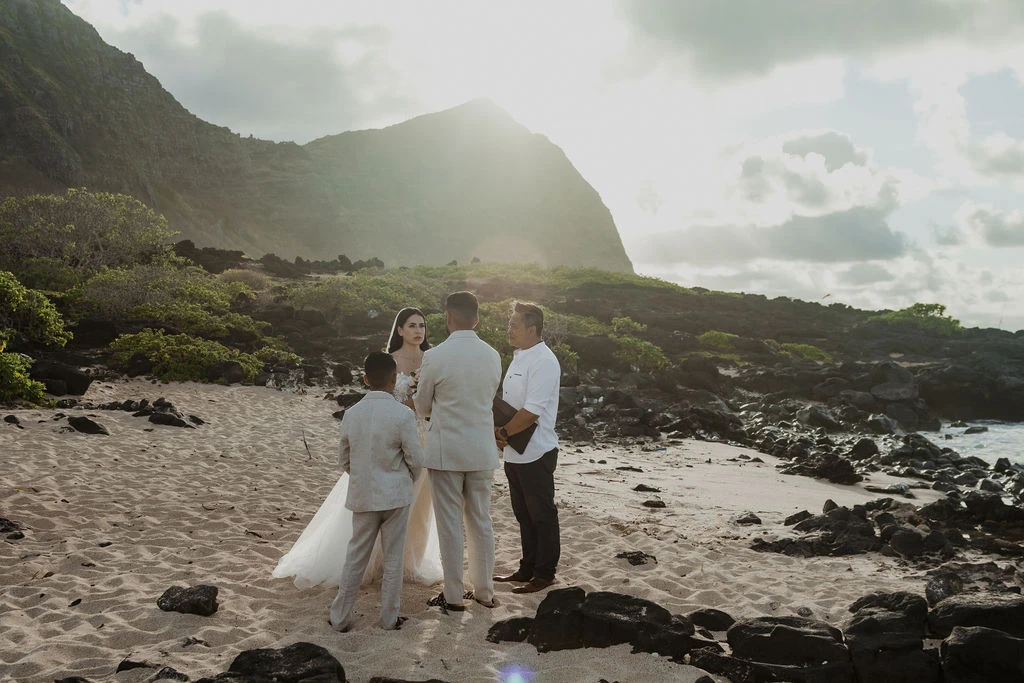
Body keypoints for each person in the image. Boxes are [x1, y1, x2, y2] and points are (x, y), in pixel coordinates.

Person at [272, 308, 442, 591]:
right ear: (399, 330)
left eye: (422, 325)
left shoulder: (431, 360)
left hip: (424, 434)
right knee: (387, 500)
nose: (418, 331)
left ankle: (409, 563)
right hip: (393, 435)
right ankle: (374, 563)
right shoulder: (389, 362)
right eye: (411, 325)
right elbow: (379, 399)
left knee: (420, 503)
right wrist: (409, 402)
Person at [414, 291, 502, 611]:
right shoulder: (493, 355)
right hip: (481, 449)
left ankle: (453, 597)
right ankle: (485, 591)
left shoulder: (435, 356)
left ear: (448, 318)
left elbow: (423, 407)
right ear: (476, 319)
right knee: (481, 520)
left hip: (446, 450)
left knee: (449, 523)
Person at [329, 352, 422, 631]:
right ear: (394, 379)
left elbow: (344, 459)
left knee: (356, 557)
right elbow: (416, 459)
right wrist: (406, 479)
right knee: (393, 559)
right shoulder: (403, 414)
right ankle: (389, 618)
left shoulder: (351, 414)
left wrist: (361, 476)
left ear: (366, 379)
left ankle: (340, 616)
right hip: (395, 495)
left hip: (363, 494)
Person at [494, 301, 561, 594]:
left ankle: (544, 574)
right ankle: (527, 568)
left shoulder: (544, 361)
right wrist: (502, 435)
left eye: (514, 325)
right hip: (513, 450)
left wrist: (504, 432)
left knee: (542, 514)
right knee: (523, 513)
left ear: (532, 329)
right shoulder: (520, 356)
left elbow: (533, 410)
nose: (509, 330)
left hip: (537, 451)